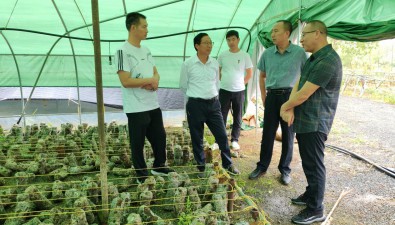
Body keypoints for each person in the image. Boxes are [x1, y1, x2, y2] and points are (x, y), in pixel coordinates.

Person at [280, 20, 342, 224]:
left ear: (318, 33)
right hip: (307, 120)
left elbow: (305, 94)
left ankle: (316, 209)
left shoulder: (328, 61)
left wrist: (285, 106)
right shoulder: (314, 58)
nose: (301, 39)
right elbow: (300, 82)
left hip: (316, 122)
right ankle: (311, 194)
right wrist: (291, 105)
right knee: (308, 161)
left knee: (314, 164)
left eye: (304, 34)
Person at [114, 12, 173, 184]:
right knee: (137, 143)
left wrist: (155, 81)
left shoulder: (146, 50)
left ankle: (159, 165)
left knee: (159, 137)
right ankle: (141, 174)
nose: (147, 29)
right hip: (135, 106)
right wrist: (148, 81)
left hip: (152, 103)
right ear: (133, 28)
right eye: (144, 26)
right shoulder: (122, 51)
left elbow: (156, 72)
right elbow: (125, 81)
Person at [248, 20, 307, 185]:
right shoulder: (267, 54)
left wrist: (296, 102)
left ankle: (285, 170)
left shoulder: (300, 53)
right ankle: (262, 166)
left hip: (290, 97)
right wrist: (264, 97)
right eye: (271, 31)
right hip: (272, 97)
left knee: (288, 135)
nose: (272, 34)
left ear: (287, 33)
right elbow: (261, 76)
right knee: (267, 133)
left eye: (276, 31)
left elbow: (304, 78)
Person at [179, 32, 240, 176]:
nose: (209, 45)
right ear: (197, 46)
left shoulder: (214, 63)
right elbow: (183, 85)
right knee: (197, 137)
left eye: (211, 42)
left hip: (213, 104)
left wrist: (211, 96)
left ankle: (228, 164)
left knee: (222, 135)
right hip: (195, 105)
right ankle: (201, 166)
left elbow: (217, 83)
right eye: (206, 42)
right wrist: (196, 96)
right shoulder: (188, 64)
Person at [215, 30, 253, 154]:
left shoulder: (244, 55)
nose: (231, 42)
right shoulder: (223, 55)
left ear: (238, 40)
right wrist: (225, 81)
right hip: (225, 89)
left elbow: (249, 73)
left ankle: (234, 140)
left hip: (239, 91)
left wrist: (241, 84)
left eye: (233, 39)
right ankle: (219, 140)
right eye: (228, 40)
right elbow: (218, 72)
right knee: (221, 115)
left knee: (238, 115)